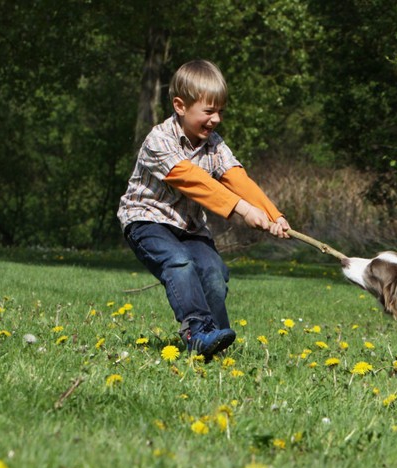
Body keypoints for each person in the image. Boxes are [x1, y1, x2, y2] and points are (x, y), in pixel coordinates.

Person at [117, 59, 290, 359]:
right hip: (148, 221)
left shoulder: (214, 144)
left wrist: (274, 215)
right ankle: (197, 332)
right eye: (208, 111)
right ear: (180, 106)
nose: (216, 119)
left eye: (220, 111)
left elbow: (236, 178)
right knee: (180, 262)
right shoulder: (159, 141)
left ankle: (217, 341)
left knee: (213, 272)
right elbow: (194, 181)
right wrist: (242, 210)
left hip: (189, 227)